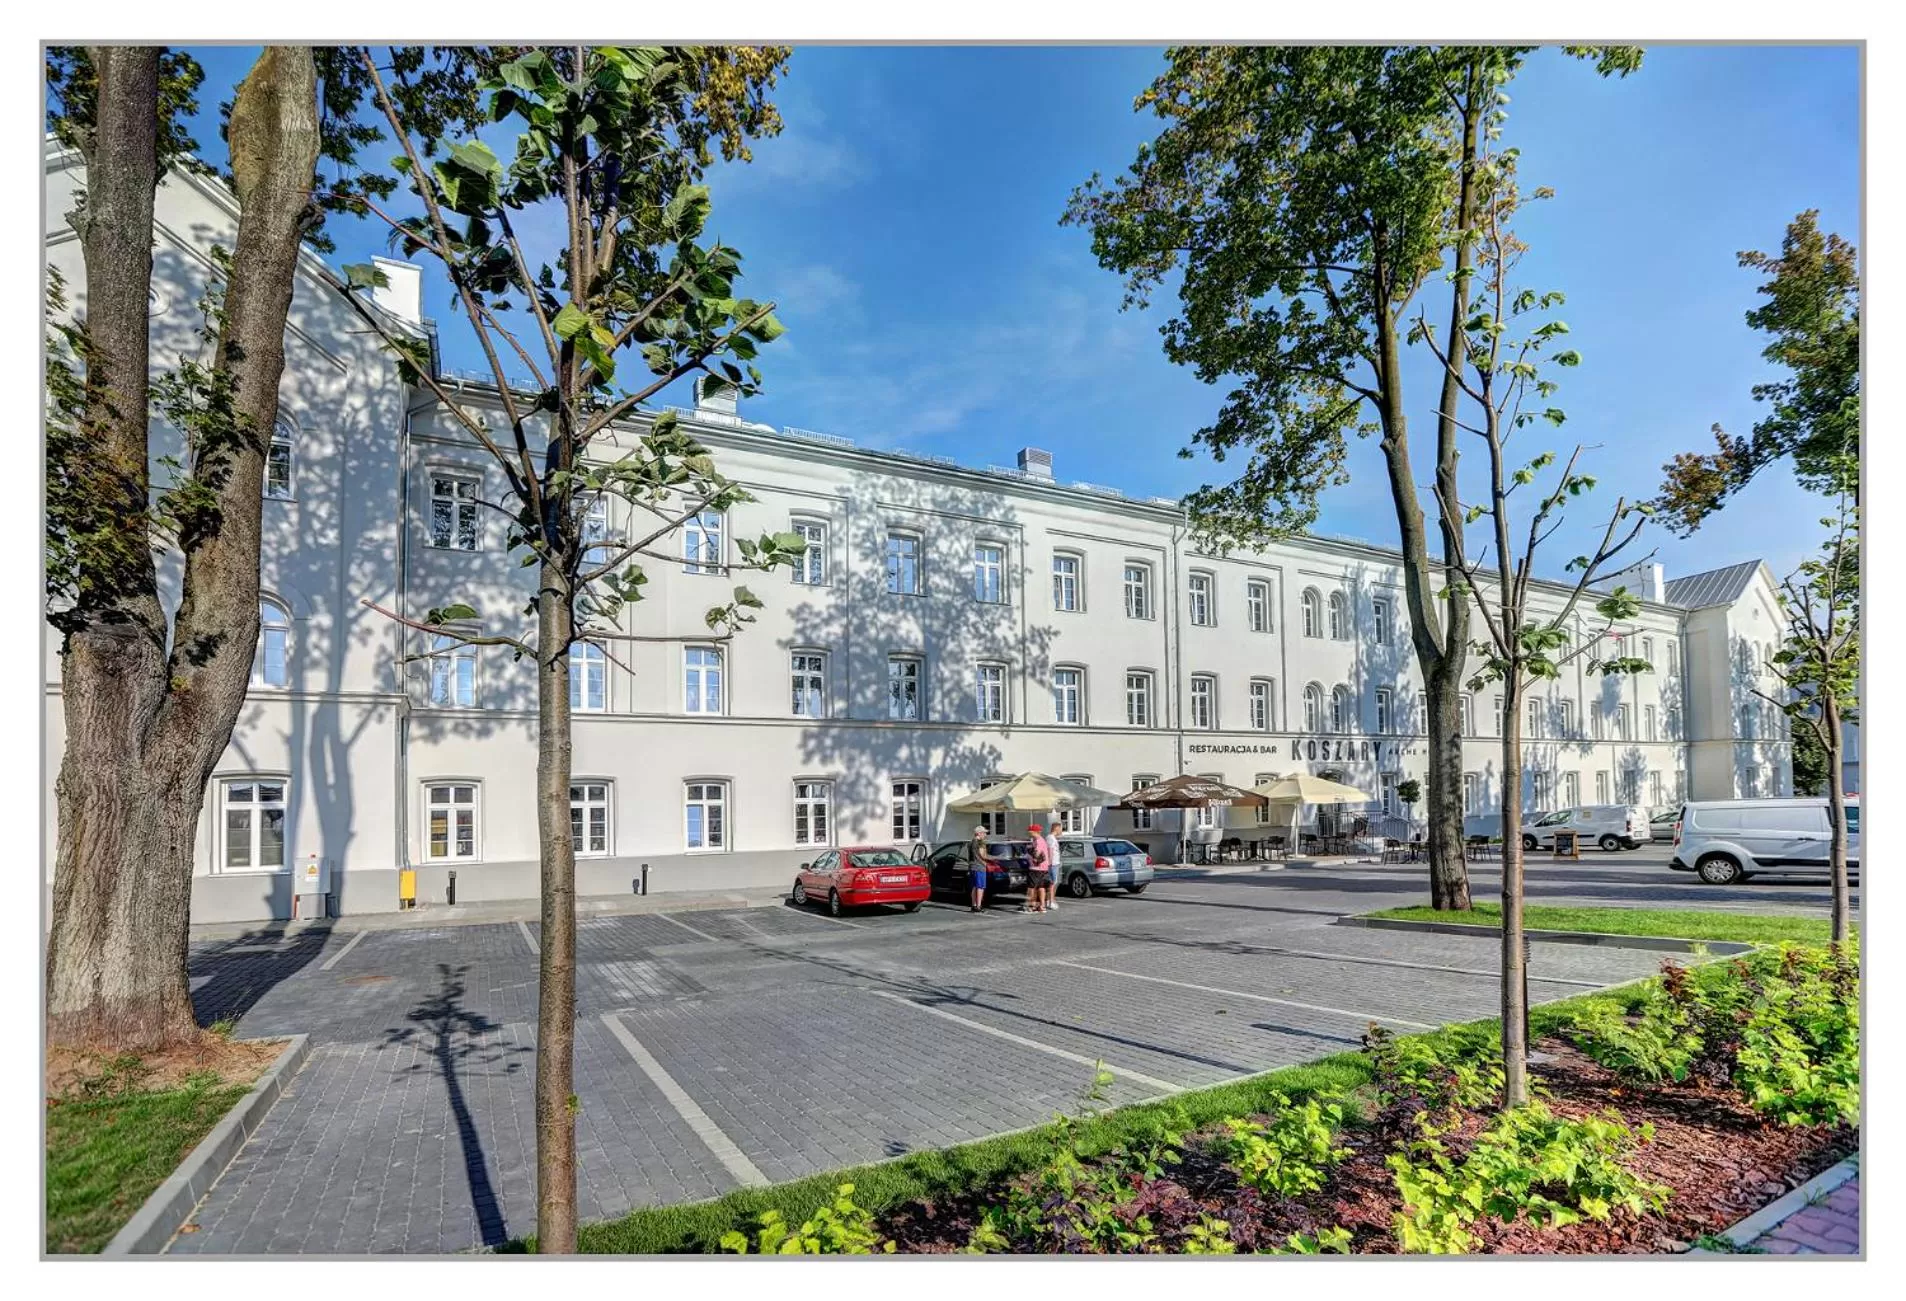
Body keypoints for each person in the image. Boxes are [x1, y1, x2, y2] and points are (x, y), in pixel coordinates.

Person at [1026, 823, 1052, 913]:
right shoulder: (1040, 840)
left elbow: (1037, 853)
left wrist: (1029, 852)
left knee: (1032, 887)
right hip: (1043, 868)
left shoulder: (1038, 841)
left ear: (1034, 832)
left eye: (1030, 831)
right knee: (1041, 886)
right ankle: (1042, 906)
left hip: (1036, 868)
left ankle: (1031, 906)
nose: (1028, 832)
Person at [969, 823, 995, 913]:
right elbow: (983, 855)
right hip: (979, 866)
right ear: (979, 833)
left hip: (972, 866)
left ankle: (973, 905)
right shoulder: (980, 842)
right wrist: (995, 858)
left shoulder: (971, 842)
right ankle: (979, 906)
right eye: (983, 833)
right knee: (980, 887)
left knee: (974, 887)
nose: (985, 835)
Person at [1043, 818, 1064, 912]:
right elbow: (1050, 851)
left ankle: (1049, 900)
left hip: (1055, 863)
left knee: (1053, 883)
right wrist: (1050, 863)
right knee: (1052, 883)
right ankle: (1051, 901)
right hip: (1053, 864)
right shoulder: (1050, 838)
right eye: (1060, 829)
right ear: (1057, 829)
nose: (1061, 831)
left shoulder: (1052, 838)